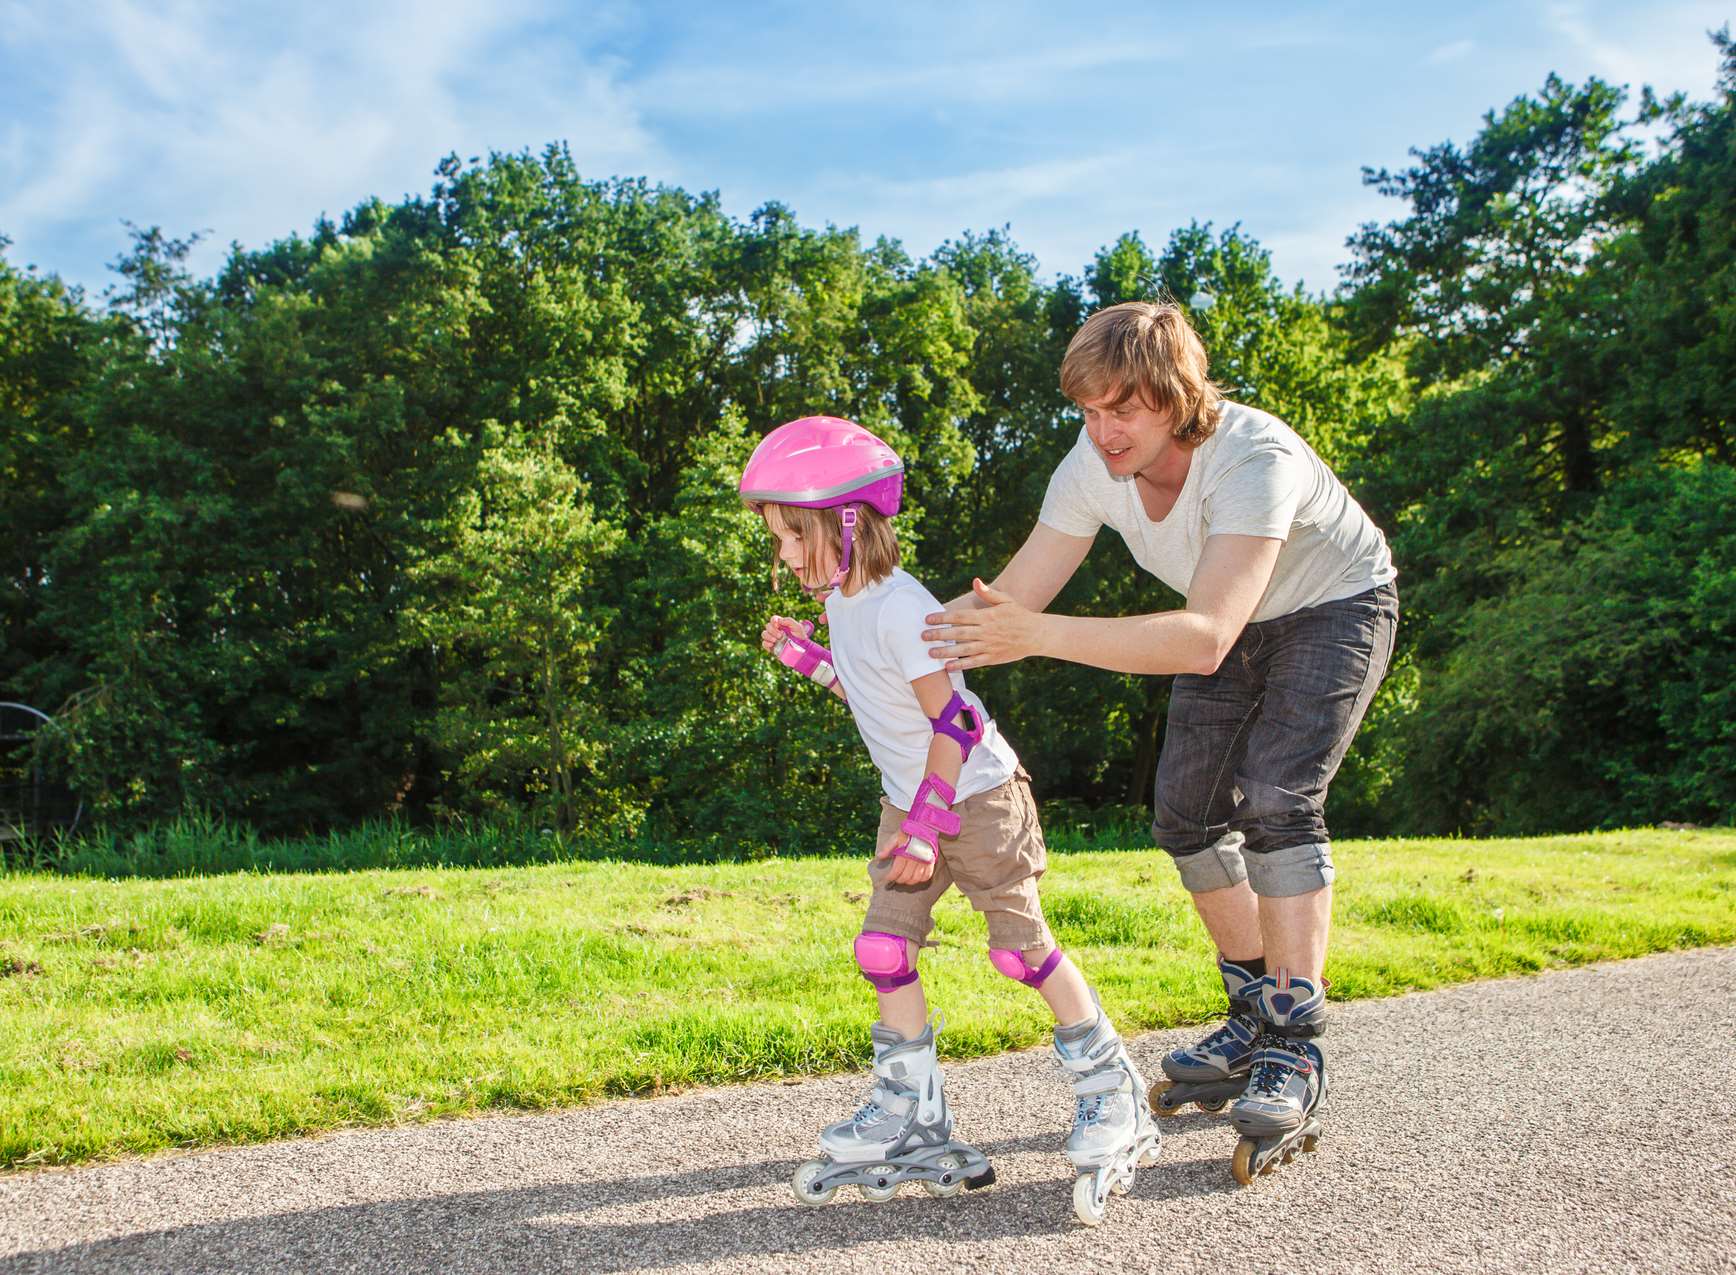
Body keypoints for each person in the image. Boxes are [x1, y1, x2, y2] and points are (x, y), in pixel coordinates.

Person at [922, 301, 1398, 1180]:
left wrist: (1035, 633)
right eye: (1089, 410)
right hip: (1220, 621)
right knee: (1185, 814)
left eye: (1124, 409)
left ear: (1177, 397)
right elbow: (1010, 596)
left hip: (1331, 607)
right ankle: (1255, 1009)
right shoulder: (1091, 463)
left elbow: (1205, 635)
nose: (1103, 431)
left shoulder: (1255, 457)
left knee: (1279, 799)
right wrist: (877, 630)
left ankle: (1293, 1040)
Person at [739, 415, 1158, 1223]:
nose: (783, 555)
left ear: (847, 523)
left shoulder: (900, 606)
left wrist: (928, 824)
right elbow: (876, 693)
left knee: (1020, 950)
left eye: (792, 536)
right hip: (916, 803)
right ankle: (913, 1113)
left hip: (978, 797)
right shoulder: (846, 605)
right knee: (882, 946)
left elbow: (956, 724)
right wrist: (809, 660)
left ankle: (1113, 1088)